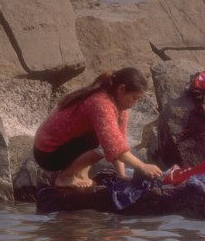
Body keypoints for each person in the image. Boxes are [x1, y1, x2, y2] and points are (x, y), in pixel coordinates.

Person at [33, 67, 164, 188]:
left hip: (63, 146)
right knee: (104, 142)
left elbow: (120, 141)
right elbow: (113, 147)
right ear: (121, 89)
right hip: (47, 153)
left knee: (106, 138)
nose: (134, 103)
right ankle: (65, 177)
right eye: (134, 98)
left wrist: (121, 174)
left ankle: (80, 174)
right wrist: (142, 166)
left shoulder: (119, 107)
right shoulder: (100, 103)